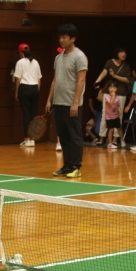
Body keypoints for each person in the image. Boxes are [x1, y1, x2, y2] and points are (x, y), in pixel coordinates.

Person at [47, 24, 87, 177]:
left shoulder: (79, 57)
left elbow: (81, 80)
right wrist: (49, 100)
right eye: (60, 37)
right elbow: (55, 80)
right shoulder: (58, 57)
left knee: (74, 136)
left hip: (72, 104)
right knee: (63, 136)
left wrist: (75, 102)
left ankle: (76, 167)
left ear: (73, 38)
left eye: (64, 37)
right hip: (58, 103)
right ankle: (67, 165)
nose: (61, 40)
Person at [92, 48, 132, 145]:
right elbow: (104, 72)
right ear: (117, 53)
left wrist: (114, 76)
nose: (123, 54)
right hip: (108, 92)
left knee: (118, 115)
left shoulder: (126, 65)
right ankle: (101, 137)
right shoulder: (110, 62)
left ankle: (115, 139)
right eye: (121, 52)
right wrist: (97, 80)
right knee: (105, 114)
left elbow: (127, 80)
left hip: (121, 93)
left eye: (125, 52)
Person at [12, 44, 42, 147]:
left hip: (24, 88)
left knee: (26, 114)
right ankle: (33, 139)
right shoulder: (36, 62)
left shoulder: (20, 62)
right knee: (34, 114)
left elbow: (18, 79)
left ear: (21, 52)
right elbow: (39, 79)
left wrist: (16, 92)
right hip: (35, 88)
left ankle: (27, 139)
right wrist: (37, 91)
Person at [102, 81, 124, 149]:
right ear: (108, 88)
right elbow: (110, 103)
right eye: (110, 87)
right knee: (111, 130)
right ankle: (110, 143)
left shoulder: (118, 98)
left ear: (116, 89)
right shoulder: (107, 97)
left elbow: (118, 105)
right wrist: (113, 96)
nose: (112, 89)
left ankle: (122, 140)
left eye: (114, 88)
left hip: (116, 116)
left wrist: (119, 109)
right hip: (109, 117)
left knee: (119, 128)